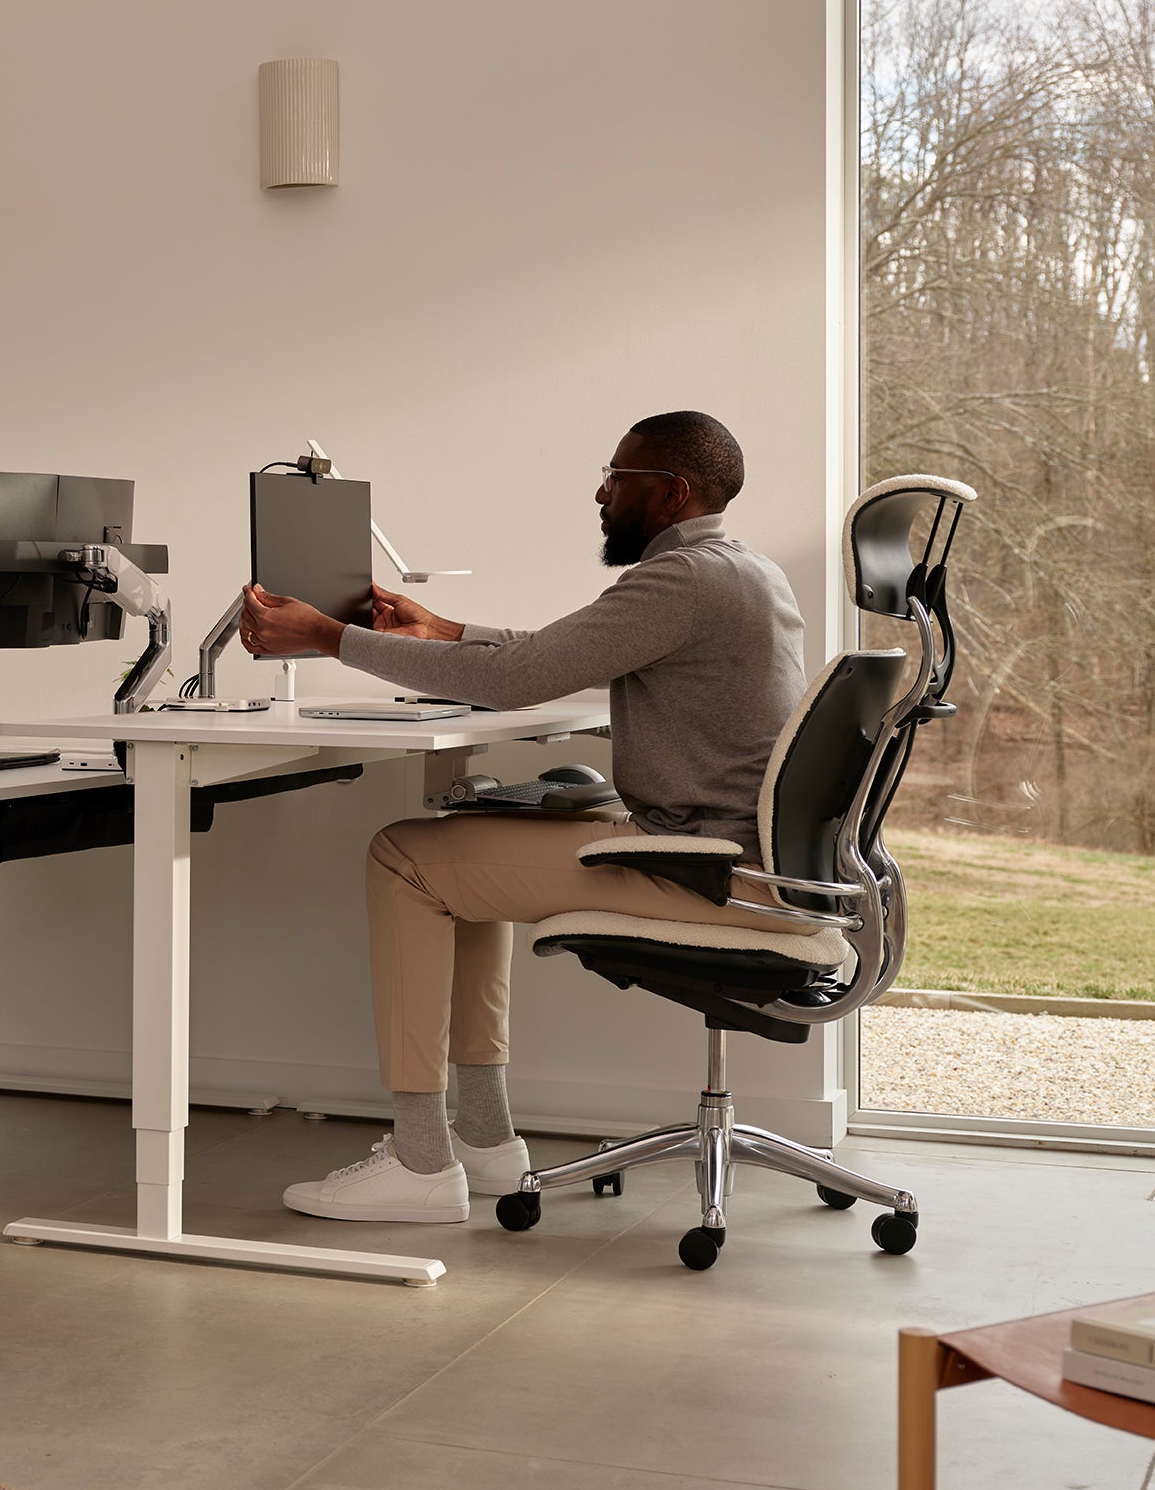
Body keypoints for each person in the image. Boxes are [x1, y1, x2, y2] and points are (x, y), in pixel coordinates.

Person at [237, 411, 805, 1224]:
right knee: (456, 859)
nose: (600, 493)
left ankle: (421, 1161)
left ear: (671, 491)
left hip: (706, 865)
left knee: (407, 857)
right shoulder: (738, 570)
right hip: (737, 855)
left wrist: (329, 637)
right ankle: (483, 1140)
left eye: (618, 477)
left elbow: (520, 678)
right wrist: (443, 631)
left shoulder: (683, 579)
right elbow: (565, 652)